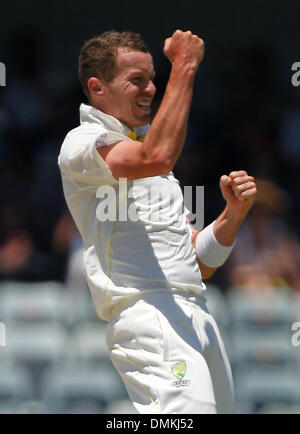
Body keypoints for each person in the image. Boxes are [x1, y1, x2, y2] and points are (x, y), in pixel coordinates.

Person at [58, 30, 257, 414]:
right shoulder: (82, 143)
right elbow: (160, 154)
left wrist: (233, 214)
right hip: (150, 314)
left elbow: (199, 263)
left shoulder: (152, 164)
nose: (150, 88)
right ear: (97, 88)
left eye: (153, 78)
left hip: (195, 313)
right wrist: (184, 65)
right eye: (137, 80)